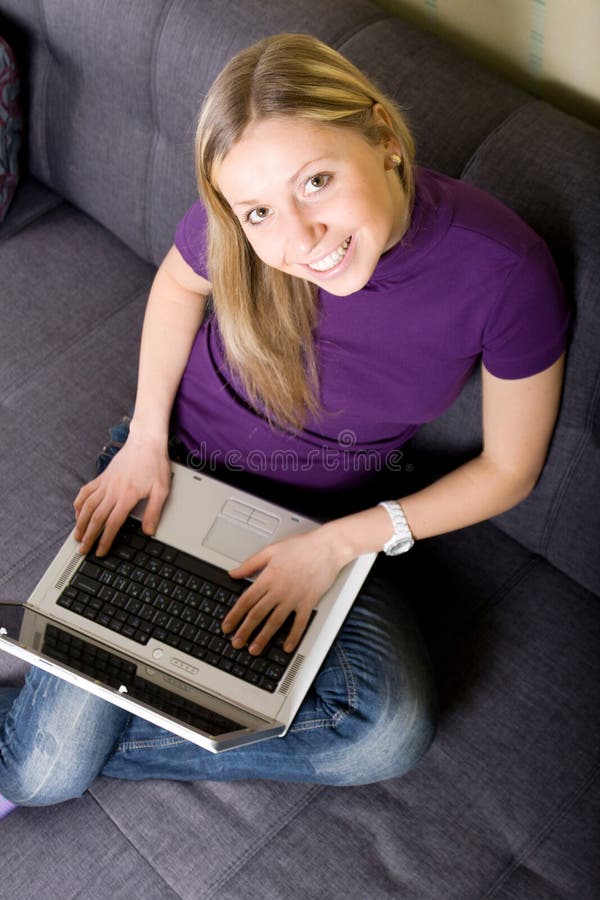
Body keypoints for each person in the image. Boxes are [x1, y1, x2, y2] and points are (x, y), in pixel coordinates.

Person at [0, 33, 569, 811]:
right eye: (261, 211)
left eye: (319, 182)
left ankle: (43, 701)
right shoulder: (243, 231)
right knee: (41, 776)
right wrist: (142, 440)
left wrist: (338, 542)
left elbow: (512, 469)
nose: (299, 242)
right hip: (178, 467)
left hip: (328, 518)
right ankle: (42, 729)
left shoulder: (505, 271)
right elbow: (176, 288)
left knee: (385, 730)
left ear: (383, 136)